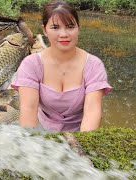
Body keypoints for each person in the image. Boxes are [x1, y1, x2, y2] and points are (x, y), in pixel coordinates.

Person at [11, 0, 112, 132]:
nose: (64, 34)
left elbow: (92, 112)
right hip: (42, 129)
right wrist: (34, 145)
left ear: (78, 28)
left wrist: (81, 147)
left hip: (81, 132)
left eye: (70, 26)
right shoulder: (31, 65)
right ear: (45, 30)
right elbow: (29, 110)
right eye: (55, 27)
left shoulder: (93, 65)